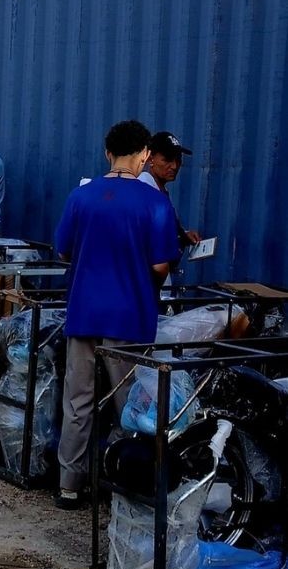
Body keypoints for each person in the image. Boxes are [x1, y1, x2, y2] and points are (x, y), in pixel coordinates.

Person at [54, 120, 180, 510]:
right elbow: (161, 265)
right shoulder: (153, 203)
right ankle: (127, 486)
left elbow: (63, 252)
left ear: (107, 153)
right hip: (129, 317)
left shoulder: (82, 197)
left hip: (83, 314)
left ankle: (69, 486)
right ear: (144, 154)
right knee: (131, 406)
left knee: (77, 402)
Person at [139, 131, 202, 247]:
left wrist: (183, 235)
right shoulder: (144, 190)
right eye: (167, 159)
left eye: (178, 160)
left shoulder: (158, 190)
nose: (174, 166)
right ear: (150, 158)